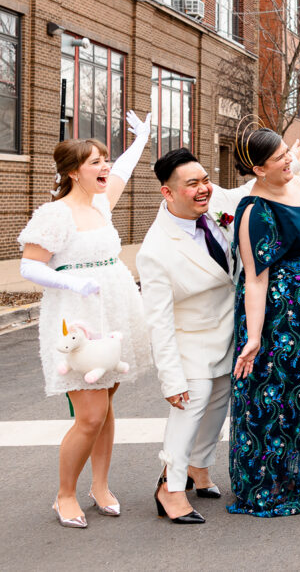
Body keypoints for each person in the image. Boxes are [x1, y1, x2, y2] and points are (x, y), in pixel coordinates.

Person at [137, 143, 300, 524]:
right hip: (191, 340)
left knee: (219, 404)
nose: (203, 188)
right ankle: (169, 488)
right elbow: (159, 321)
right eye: (192, 184)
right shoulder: (155, 250)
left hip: (228, 333)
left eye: (205, 179)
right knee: (191, 406)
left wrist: (290, 160)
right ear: (167, 192)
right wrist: (170, 378)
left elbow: (252, 186)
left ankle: (200, 469)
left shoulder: (214, 202)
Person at [18, 112, 153, 527]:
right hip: (78, 319)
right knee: (89, 414)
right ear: (74, 172)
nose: (106, 168)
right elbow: (29, 266)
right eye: (96, 162)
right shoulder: (54, 214)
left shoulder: (99, 203)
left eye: (105, 160)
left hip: (114, 308)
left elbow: (125, 171)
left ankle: (100, 486)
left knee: (107, 404)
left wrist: (142, 139)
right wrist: (74, 284)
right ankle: (64, 495)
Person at [228, 127, 300, 517]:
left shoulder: (295, 184)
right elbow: (256, 280)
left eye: (285, 152)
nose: (288, 160)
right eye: (279, 158)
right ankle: (270, 484)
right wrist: (254, 338)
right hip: (280, 315)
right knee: (276, 398)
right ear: (258, 170)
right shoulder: (254, 212)